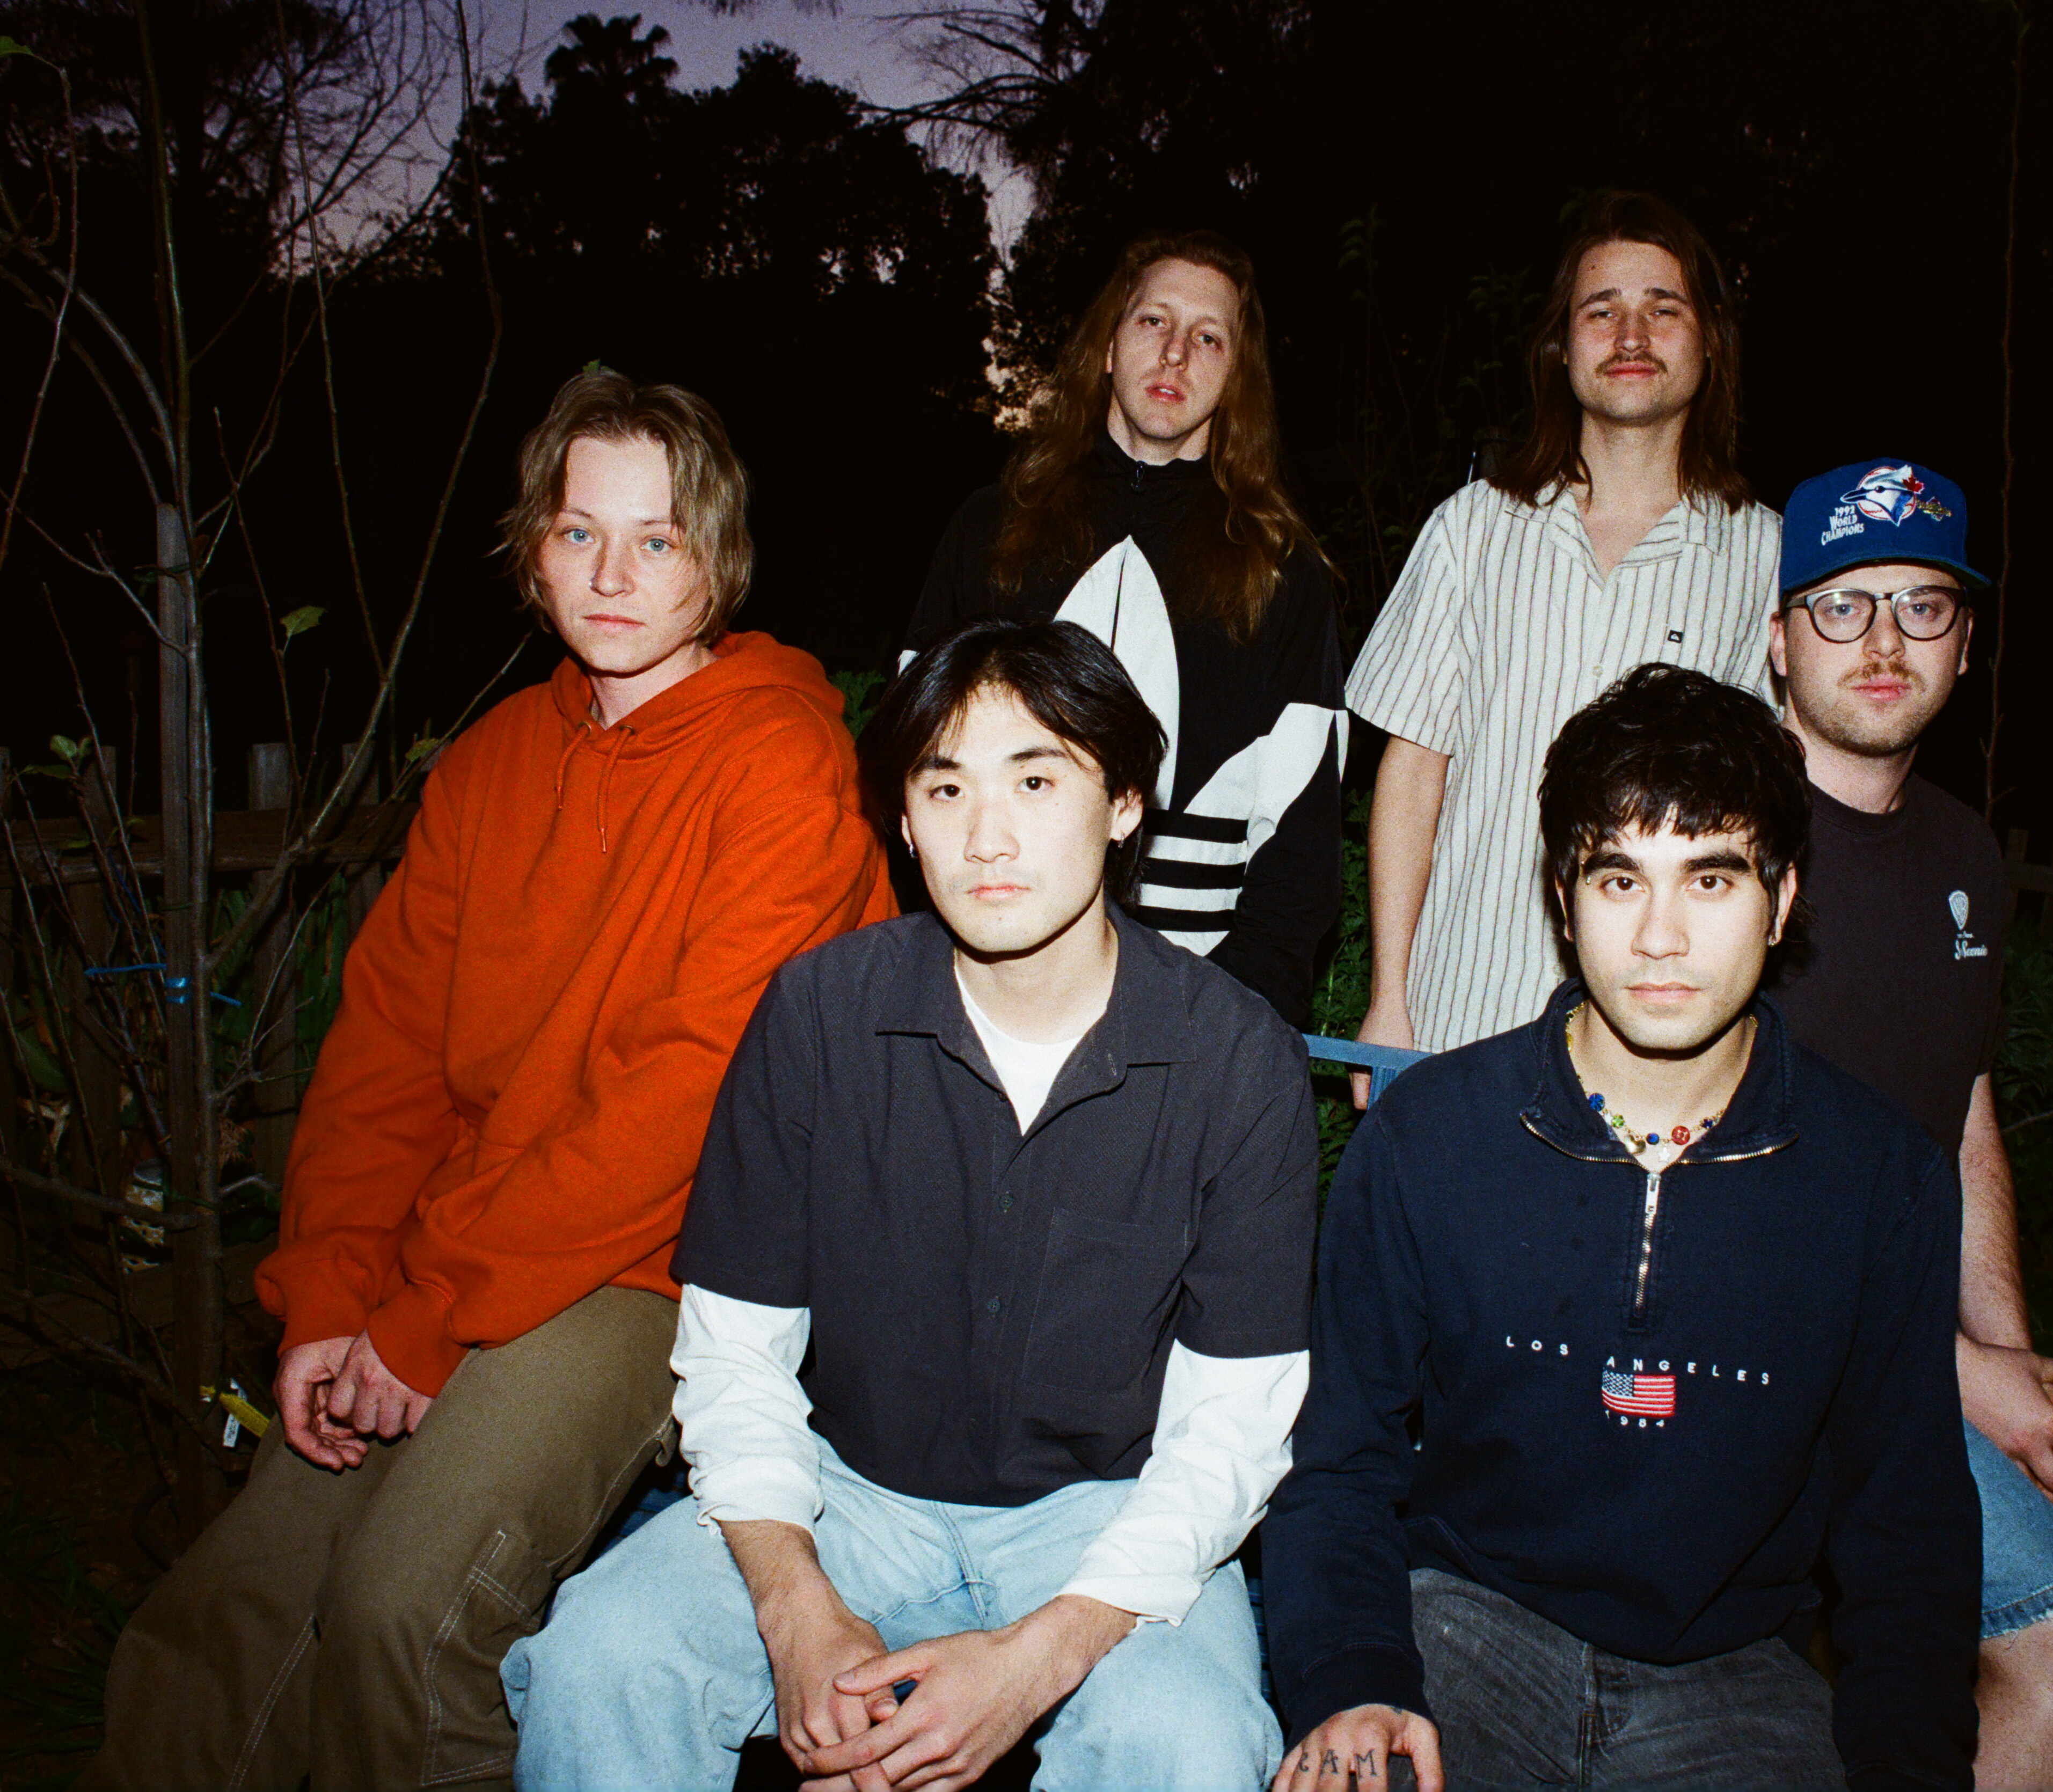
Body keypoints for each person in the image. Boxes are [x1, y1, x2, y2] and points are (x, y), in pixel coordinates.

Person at [81, 369, 893, 1791]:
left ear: (717, 558)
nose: (613, 574)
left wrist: (427, 1317)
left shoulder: (784, 763)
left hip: (670, 1261)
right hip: (469, 1242)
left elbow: (680, 1106)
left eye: (656, 538)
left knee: (406, 1608)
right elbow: (383, 1059)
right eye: (579, 532)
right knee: (232, 1613)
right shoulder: (491, 764)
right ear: (534, 552)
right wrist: (332, 1293)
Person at [505, 618, 1318, 1791]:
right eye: (945, 788)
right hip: (845, 1490)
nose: (987, 836)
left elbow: (1232, 1433)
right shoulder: (821, 1013)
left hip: (1107, 1517)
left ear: (1124, 803)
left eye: (1036, 780)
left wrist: (1034, 1663)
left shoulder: (1234, 1059)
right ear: (903, 819)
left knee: (1185, 1741)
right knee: (604, 1656)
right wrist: (796, 1613)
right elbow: (734, 1355)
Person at [1265, 663, 1979, 1792]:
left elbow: (1909, 1526)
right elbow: (1338, 1460)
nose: (1659, 936)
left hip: (1736, 1678)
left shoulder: (1878, 1178)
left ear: (1781, 898)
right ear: (1564, 899)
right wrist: (1350, 1675)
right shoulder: (1429, 1138)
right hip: (1460, 1629)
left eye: (1711, 878)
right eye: (1618, 877)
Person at [1764, 458, 2053, 1790]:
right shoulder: (1725, 844)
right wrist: (1962, 1373)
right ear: (1779, 639)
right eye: (1842, 604)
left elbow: (1961, 1108)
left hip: (1910, 1351)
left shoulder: (1963, 852)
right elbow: (1711, 1172)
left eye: (1923, 605)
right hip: (1766, 1353)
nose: (1882, 641)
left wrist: (2011, 1359)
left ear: (1966, 645)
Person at [1347, 192, 1781, 1079]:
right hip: (1458, 1017)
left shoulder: (1765, 558)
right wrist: (1389, 996)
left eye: (1664, 309)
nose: (1632, 335)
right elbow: (1414, 770)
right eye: (1602, 311)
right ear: (1562, 346)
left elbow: (1770, 823)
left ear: (1709, 342)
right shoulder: (1473, 529)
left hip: (1661, 1046)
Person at [905, 231, 1345, 1027]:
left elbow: (1302, 845)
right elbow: (912, 769)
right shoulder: (991, 530)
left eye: (1208, 338)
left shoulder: (1283, 572)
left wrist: (1236, 1024)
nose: (1175, 353)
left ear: (1236, 376)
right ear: (1109, 346)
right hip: (989, 983)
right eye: (1153, 322)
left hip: (1195, 995)